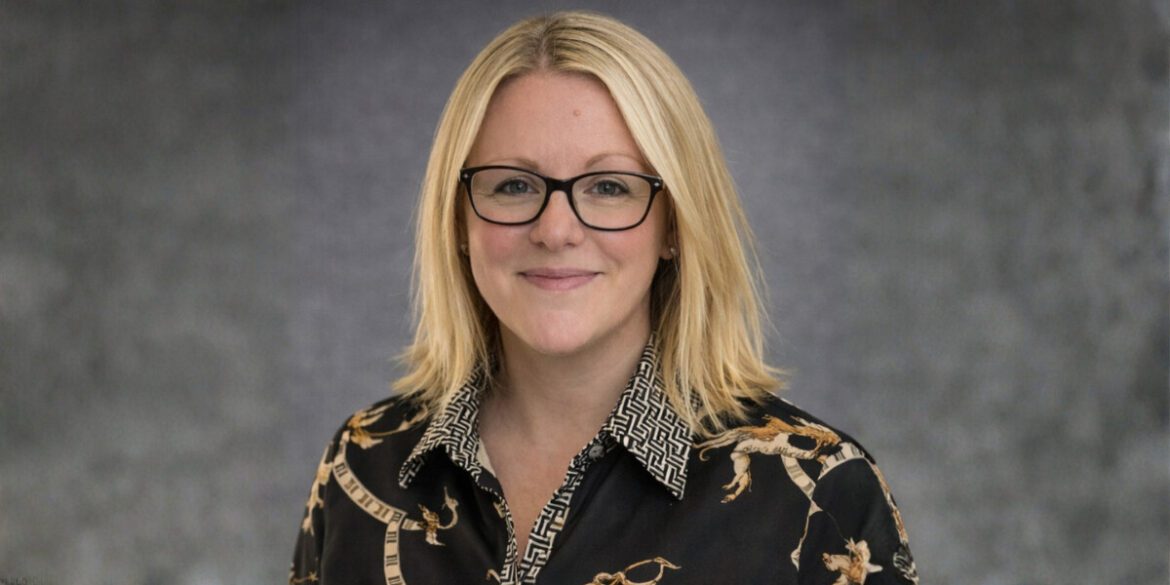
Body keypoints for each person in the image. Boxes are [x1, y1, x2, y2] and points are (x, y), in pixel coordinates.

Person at [291, 10, 917, 585]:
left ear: (675, 224)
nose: (555, 230)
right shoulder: (362, 465)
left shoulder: (816, 492)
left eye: (609, 187)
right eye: (513, 185)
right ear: (458, 219)